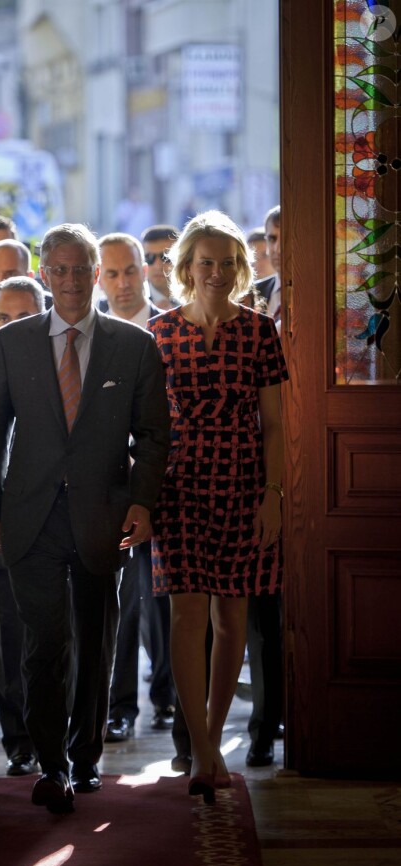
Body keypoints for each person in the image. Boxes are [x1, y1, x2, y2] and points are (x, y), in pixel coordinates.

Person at [0, 222, 170, 814]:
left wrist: (141, 502)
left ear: (95, 274)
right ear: (44, 275)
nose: (70, 280)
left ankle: (85, 758)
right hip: (30, 516)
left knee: (96, 641)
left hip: (102, 517)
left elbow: (154, 436)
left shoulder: (133, 345)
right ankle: (51, 764)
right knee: (44, 643)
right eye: (58, 270)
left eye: (80, 269)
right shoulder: (13, 342)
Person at [148, 210, 288, 804]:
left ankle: (210, 735)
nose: (217, 272)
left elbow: (275, 425)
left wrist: (274, 496)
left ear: (240, 268)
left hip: (243, 483)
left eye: (228, 263)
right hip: (177, 485)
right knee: (186, 615)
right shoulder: (157, 333)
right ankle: (203, 751)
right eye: (206, 262)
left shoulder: (260, 331)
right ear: (186, 267)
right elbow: (146, 426)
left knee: (232, 617)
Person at [97, 232, 174, 741]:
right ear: (100, 279)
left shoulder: (168, 329)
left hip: (165, 482)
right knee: (121, 602)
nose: (123, 282)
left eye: (130, 270)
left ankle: (168, 696)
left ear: (144, 272)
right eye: (112, 273)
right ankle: (120, 706)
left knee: (164, 598)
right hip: (110, 487)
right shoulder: (93, 333)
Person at [0, 276, 46, 777]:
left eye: (26, 317)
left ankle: (57, 735)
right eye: (4, 318)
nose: (14, 327)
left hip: (55, 519)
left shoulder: (65, 367)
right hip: (0, 520)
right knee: (5, 638)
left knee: (56, 636)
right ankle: (19, 739)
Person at [245, 203, 285, 768]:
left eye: (282, 235)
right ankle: (259, 727)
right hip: (247, 462)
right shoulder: (256, 299)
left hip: (306, 459)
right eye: (271, 236)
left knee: (270, 610)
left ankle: (274, 718)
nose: (276, 245)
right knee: (253, 611)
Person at [141, 225, 180, 310]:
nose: (157, 266)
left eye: (166, 257)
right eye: (149, 258)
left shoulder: (197, 296)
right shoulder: (133, 300)